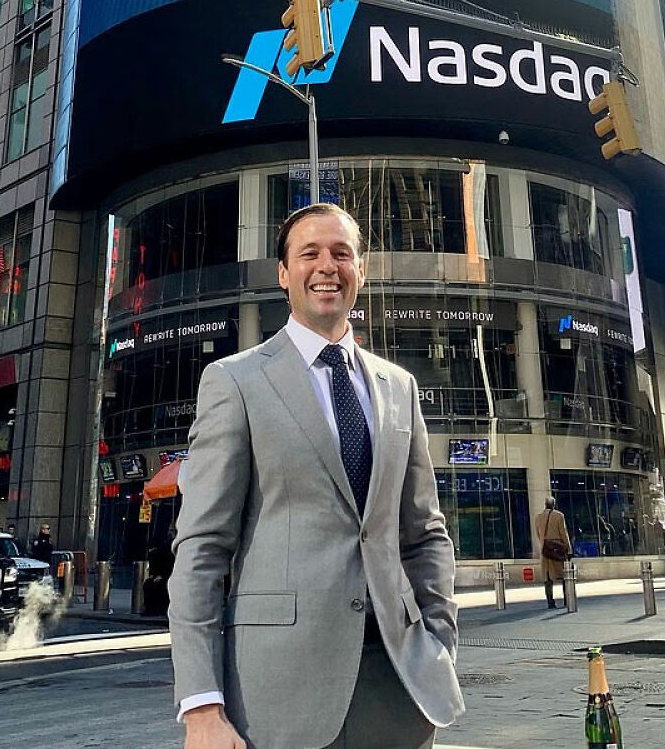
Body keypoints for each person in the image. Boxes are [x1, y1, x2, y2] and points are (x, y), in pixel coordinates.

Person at [168, 203, 464, 749]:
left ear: (360, 271)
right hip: (280, 695)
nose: (326, 265)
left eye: (341, 253)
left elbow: (424, 533)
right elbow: (202, 548)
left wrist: (439, 638)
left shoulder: (399, 387)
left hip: (399, 689)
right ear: (284, 274)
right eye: (309, 253)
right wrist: (202, 705)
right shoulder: (235, 381)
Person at [535, 497, 572, 609]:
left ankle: (550, 602)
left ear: (545, 504)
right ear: (554, 504)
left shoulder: (538, 517)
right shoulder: (559, 515)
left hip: (545, 550)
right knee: (565, 576)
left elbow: (538, 534)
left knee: (547, 578)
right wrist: (569, 549)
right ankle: (567, 600)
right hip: (557, 550)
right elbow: (563, 533)